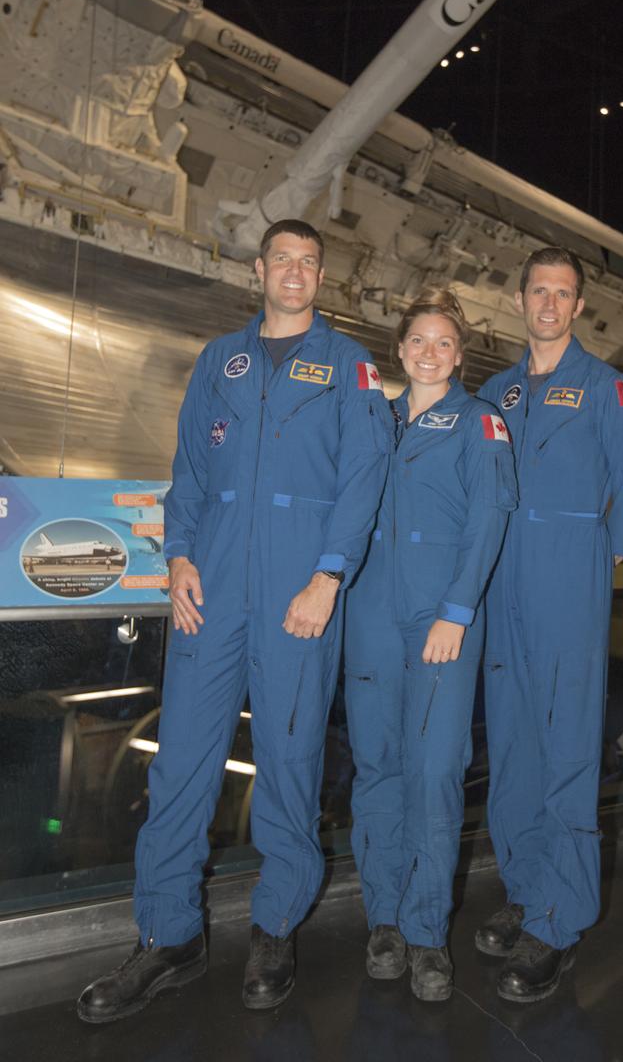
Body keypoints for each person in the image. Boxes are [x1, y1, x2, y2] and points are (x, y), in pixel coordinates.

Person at [77, 219, 392, 1023]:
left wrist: (329, 578)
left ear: (321, 278)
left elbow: (364, 479)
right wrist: (179, 557)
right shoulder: (221, 359)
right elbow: (187, 469)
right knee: (180, 761)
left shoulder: (350, 366)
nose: (294, 273)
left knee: (288, 761)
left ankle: (276, 925)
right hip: (209, 587)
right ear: (259, 271)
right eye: (281, 260)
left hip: (298, 587)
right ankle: (167, 935)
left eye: (308, 263)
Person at [476, 246, 623, 1003]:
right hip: (501, 588)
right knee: (513, 746)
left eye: (563, 294)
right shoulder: (495, 392)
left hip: (565, 584)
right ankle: (523, 887)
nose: (549, 304)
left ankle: (558, 918)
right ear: (519, 301)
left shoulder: (606, 390)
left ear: (577, 306)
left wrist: (604, 557)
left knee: (566, 752)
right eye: (538, 292)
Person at [344, 288, 517, 1002]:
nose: (429, 352)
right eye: (418, 340)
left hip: (439, 619)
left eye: (444, 342)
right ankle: (381, 917)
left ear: (460, 355)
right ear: (399, 348)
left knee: (436, 771)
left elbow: (488, 519)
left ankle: (423, 931)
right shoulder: (373, 420)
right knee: (376, 766)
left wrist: (456, 611)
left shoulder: (480, 424)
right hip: (369, 615)